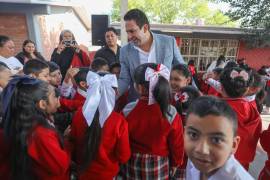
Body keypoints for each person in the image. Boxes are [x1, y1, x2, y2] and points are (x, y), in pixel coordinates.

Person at [121, 63, 184, 179]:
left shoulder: (128, 110)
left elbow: (122, 140)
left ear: (139, 88)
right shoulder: (170, 112)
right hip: (160, 163)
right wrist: (176, 163)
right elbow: (177, 143)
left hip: (132, 163)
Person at [1, 76, 70, 179]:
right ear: (42, 104)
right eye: (55, 96)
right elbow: (60, 167)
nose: (59, 103)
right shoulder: (41, 134)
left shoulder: (18, 120)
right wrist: (67, 141)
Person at [68, 71, 130, 179]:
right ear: (114, 93)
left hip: (83, 173)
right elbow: (123, 156)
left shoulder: (79, 115)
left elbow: (73, 142)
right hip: (107, 174)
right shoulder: (118, 121)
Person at [118, 9, 185, 102]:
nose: (129, 36)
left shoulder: (168, 42)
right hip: (138, 105)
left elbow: (183, 71)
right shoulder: (124, 51)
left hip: (166, 102)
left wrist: (194, 93)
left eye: (132, 31)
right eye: (127, 32)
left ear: (145, 28)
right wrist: (110, 94)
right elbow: (124, 79)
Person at [185, 96, 254, 180]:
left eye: (216, 140)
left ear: (233, 145)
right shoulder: (195, 160)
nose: (201, 150)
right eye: (193, 135)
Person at [219, 67, 262, 170]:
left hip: (220, 163)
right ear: (247, 89)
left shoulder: (217, 109)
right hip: (242, 163)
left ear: (221, 87)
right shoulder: (252, 109)